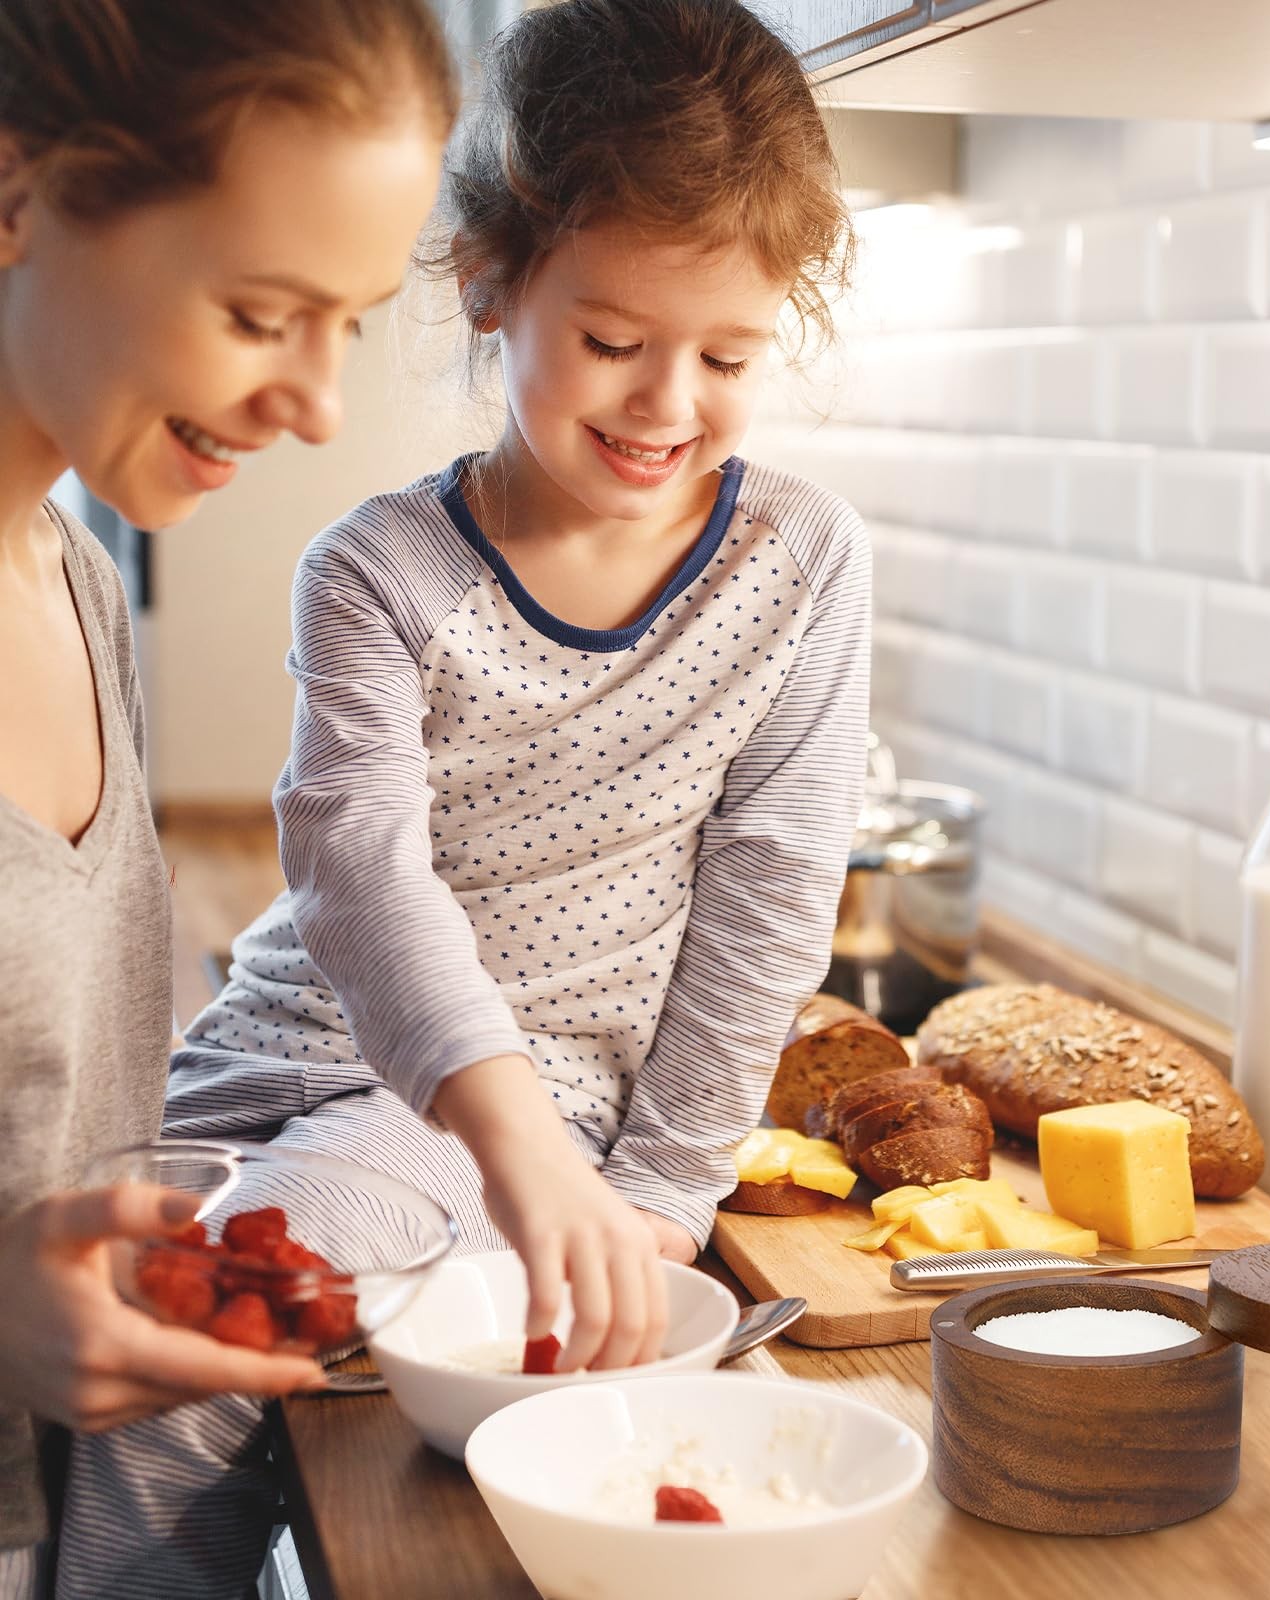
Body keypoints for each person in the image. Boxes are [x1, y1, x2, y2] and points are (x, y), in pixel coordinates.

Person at [71, 0, 868, 1592]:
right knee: (112, 1340)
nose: (665, 403)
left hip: (509, 1119)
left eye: (725, 356)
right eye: (615, 342)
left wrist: (653, 1191)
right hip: (279, 1055)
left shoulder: (799, 559)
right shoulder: (374, 569)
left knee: (182, 1345)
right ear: (490, 286)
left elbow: (774, 890)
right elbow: (361, 870)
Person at [0, 1, 457, 1594]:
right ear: (14, 195)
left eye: (351, 319)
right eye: (263, 311)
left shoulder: (69, 580)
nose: (321, 404)